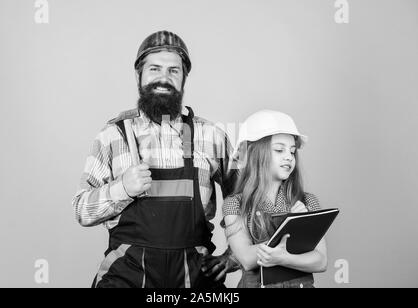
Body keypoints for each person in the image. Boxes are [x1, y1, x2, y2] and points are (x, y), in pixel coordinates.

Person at [72, 30, 239, 288]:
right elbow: (81, 210)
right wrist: (123, 189)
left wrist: (235, 254)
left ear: (184, 78)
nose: (164, 78)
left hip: (194, 277)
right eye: (154, 69)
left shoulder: (211, 135)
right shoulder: (113, 135)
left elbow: (245, 197)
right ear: (138, 75)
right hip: (126, 276)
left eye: (174, 71)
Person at [222, 110, 327, 288]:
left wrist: (284, 256)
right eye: (279, 149)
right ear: (254, 153)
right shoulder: (234, 204)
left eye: (292, 152)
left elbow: (320, 261)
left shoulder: (307, 202)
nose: (288, 157)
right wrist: (291, 229)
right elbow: (247, 258)